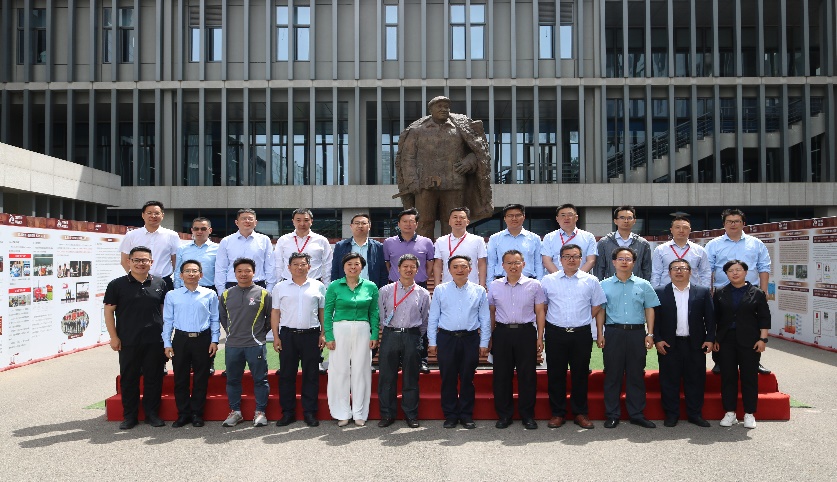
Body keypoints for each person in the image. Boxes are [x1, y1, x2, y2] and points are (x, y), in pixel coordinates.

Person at [395, 95, 493, 239]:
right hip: (425, 185)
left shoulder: (459, 129)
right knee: (424, 222)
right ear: (431, 110)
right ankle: (424, 251)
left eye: (446, 107)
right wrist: (412, 182)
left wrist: (469, 162)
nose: (444, 109)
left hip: (454, 184)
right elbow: (407, 158)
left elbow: (477, 151)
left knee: (453, 222)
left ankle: (452, 252)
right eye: (439, 106)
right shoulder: (417, 130)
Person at [541, 244, 606, 430]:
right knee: (556, 374)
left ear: (581, 259)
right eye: (567, 256)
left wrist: (583, 320)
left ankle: (580, 413)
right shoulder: (548, 280)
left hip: (581, 334)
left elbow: (597, 305)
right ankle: (557, 413)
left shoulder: (591, 280)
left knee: (580, 374)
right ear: (560, 259)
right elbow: (543, 306)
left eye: (576, 256)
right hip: (555, 333)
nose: (571, 260)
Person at [104, 246, 168, 429]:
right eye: (137, 260)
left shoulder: (160, 283)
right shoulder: (116, 285)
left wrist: (167, 338)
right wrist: (113, 337)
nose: (141, 263)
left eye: (145, 260)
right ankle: (130, 416)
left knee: (154, 378)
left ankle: (152, 414)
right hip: (128, 340)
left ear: (151, 262)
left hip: (154, 340)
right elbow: (108, 312)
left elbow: (164, 312)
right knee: (129, 379)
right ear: (129, 262)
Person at [596, 247, 660, 429]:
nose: (624, 262)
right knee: (612, 374)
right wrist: (600, 333)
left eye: (628, 259)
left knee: (636, 374)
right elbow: (601, 310)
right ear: (614, 262)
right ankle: (612, 414)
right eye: (620, 259)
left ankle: (637, 414)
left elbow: (649, 308)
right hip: (613, 332)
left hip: (636, 333)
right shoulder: (603, 285)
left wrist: (650, 333)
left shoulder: (644, 284)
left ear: (634, 262)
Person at [705, 208, 772, 375]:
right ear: (724, 224)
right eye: (729, 221)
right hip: (722, 293)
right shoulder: (714, 244)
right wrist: (709, 292)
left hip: (750, 293)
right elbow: (708, 270)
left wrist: (763, 291)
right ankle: (719, 361)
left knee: (751, 327)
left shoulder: (756, 244)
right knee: (721, 326)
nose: (733, 224)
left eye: (736, 221)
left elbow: (764, 267)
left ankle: (755, 360)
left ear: (743, 223)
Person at [428, 255, 491, 429]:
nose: (459, 270)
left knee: (467, 378)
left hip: (470, 339)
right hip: (446, 338)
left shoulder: (479, 290)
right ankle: (450, 415)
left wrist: (484, 343)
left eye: (463, 266)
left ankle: (466, 415)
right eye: (455, 267)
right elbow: (433, 317)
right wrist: (432, 341)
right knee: (447, 378)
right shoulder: (440, 290)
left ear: (470, 269)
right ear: (449, 270)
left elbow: (485, 318)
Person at [653, 259, 715, 428]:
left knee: (695, 380)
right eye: (675, 268)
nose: (679, 271)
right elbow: (655, 320)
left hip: (695, 344)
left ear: (690, 271)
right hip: (669, 344)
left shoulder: (702, 291)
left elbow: (710, 318)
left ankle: (695, 414)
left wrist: (710, 338)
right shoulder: (659, 292)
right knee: (669, 381)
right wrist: (657, 339)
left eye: (683, 268)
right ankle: (671, 415)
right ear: (669, 272)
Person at [488, 250, 546, 430]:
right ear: (503, 266)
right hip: (502, 333)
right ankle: (504, 415)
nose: (513, 266)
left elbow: (540, 311)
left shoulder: (534, 285)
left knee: (527, 376)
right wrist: (490, 337)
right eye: (509, 263)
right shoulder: (494, 285)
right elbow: (491, 313)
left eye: (517, 262)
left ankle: (527, 415)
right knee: (501, 376)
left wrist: (540, 337)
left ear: (523, 264)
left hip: (525, 332)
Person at [713, 260, 771, 429]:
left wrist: (763, 339)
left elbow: (764, 317)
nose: (735, 273)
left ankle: (749, 413)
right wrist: (715, 339)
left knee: (749, 377)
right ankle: (730, 413)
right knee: (728, 377)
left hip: (750, 341)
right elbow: (714, 318)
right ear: (726, 274)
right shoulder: (720, 292)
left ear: (746, 272)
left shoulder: (757, 293)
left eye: (738, 270)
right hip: (726, 340)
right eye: (731, 270)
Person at [162, 260, 220, 428]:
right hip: (181, 340)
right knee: (180, 378)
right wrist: (167, 343)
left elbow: (215, 318)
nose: (191, 274)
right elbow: (168, 320)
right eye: (187, 271)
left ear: (201, 275)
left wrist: (214, 340)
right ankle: (183, 414)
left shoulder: (210, 294)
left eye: (195, 271)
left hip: (203, 339)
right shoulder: (172, 295)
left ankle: (197, 414)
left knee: (201, 378)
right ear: (181, 275)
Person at [324, 252, 380, 427]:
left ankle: (359, 412)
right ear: (343, 267)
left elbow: (374, 312)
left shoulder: (370, 286)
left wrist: (374, 334)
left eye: (356, 264)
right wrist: (328, 335)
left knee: (361, 371)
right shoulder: (334, 286)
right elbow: (327, 312)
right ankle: (342, 412)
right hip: (340, 329)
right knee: (339, 371)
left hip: (363, 329)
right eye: (349, 264)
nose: (353, 267)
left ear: (362, 267)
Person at [271, 252, 326, 428]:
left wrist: (323, 333)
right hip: (288, 335)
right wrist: (276, 336)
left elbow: (322, 311)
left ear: (309, 266)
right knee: (287, 375)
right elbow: (275, 312)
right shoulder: (280, 287)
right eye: (295, 264)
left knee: (311, 375)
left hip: (311, 335)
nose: (299, 267)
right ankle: (288, 413)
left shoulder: (318, 286)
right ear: (289, 267)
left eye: (303, 264)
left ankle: (309, 412)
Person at [376, 254, 431, 429]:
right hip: (390, 335)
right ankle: (387, 414)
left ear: (417, 269)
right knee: (387, 377)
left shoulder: (423, 293)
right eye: (405, 266)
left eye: (412, 266)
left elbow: (425, 319)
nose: (408, 269)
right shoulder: (385, 290)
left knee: (411, 378)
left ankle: (411, 415)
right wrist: (389, 330)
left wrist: (415, 335)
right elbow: (381, 315)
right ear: (398, 268)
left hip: (412, 336)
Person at [219, 258, 272, 428]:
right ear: (234, 273)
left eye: (247, 271)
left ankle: (260, 412)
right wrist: (232, 334)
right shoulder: (226, 294)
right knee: (233, 380)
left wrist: (259, 334)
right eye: (239, 271)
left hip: (255, 344)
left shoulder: (263, 294)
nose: (243, 274)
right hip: (233, 345)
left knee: (260, 380)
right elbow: (223, 318)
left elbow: (270, 318)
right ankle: (235, 412)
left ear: (253, 272)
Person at [383, 208, 435, 373]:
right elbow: (388, 264)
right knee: (397, 323)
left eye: (412, 221)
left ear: (417, 224)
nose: (408, 224)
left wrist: (422, 277)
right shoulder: (389, 242)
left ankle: (422, 360)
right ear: (398, 224)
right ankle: (398, 359)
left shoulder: (426, 242)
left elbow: (429, 264)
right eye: (404, 221)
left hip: (418, 286)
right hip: (396, 287)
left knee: (420, 323)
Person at [174, 217, 220, 374]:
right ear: (192, 230)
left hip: (209, 290)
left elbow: (221, 271)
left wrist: (219, 292)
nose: (199, 232)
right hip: (186, 289)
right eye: (196, 229)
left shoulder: (218, 249)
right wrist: (178, 291)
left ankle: (209, 361)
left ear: (210, 230)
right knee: (188, 325)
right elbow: (177, 272)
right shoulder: (183, 249)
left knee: (209, 326)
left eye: (203, 229)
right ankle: (189, 361)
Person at [119, 201, 181, 291]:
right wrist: (134, 276)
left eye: (157, 213)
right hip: (138, 281)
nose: (153, 216)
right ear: (143, 215)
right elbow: (124, 260)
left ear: (162, 215)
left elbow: (176, 260)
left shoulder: (172, 235)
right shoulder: (131, 235)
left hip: (164, 281)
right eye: (149, 213)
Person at [215, 208, 276, 294]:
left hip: (258, 285)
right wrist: (221, 291)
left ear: (255, 222)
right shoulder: (226, 241)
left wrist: (269, 289)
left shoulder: (264, 240)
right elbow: (221, 267)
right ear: (236, 222)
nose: (247, 221)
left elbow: (270, 266)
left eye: (250, 219)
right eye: (243, 219)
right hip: (232, 285)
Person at [594, 205, 652, 281]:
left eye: (629, 218)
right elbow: (599, 269)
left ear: (634, 221)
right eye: (622, 218)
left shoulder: (643, 244)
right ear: (615, 221)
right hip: (611, 285)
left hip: (635, 285)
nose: (626, 221)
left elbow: (647, 270)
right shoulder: (604, 242)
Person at [275, 208, 333, 284]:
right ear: (293, 221)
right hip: (288, 283)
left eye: (306, 220)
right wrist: (278, 283)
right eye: (298, 220)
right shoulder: (283, 240)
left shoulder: (321, 240)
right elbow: (278, 264)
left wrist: (326, 285)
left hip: (314, 284)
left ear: (311, 221)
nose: (302, 224)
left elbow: (327, 265)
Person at [434, 207, 487, 289]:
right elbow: (438, 265)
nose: (458, 220)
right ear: (449, 221)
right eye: (455, 217)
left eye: (462, 217)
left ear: (468, 222)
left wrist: (482, 286)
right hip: (447, 287)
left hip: (472, 287)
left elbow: (482, 264)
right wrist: (437, 287)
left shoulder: (478, 240)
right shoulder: (440, 241)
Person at [651, 216, 710, 289]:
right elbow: (656, 273)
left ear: (690, 230)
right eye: (677, 227)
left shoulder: (699, 250)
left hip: (692, 291)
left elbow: (705, 273)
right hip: (666, 291)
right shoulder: (660, 249)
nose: (681, 230)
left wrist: (704, 291)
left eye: (685, 228)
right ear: (671, 230)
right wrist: (655, 292)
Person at [486, 204, 543, 280]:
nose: (514, 218)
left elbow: (538, 263)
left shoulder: (535, 238)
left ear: (524, 217)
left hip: (528, 282)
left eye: (518, 215)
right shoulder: (495, 238)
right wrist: (490, 283)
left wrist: (539, 282)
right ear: (505, 218)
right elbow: (491, 263)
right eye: (510, 216)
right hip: (502, 282)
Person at [332, 213, 389, 288]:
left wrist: (381, 290)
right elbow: (335, 270)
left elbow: (383, 272)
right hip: (346, 289)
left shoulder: (378, 247)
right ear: (351, 226)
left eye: (364, 223)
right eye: (357, 223)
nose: (360, 226)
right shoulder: (341, 246)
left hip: (370, 290)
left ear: (369, 226)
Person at [541, 204, 597, 275]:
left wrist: (577, 277)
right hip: (556, 279)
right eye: (563, 215)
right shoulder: (549, 238)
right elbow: (547, 261)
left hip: (581, 279)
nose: (566, 218)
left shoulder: (588, 237)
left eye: (570, 215)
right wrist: (560, 277)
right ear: (557, 219)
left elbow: (591, 261)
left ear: (576, 217)